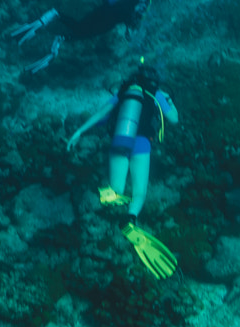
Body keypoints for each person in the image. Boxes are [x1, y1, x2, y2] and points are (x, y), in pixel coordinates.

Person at [67, 60, 181, 278]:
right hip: (141, 144)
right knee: (139, 192)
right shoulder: (156, 93)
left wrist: (79, 132)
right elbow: (173, 120)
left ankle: (105, 194)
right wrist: (169, 101)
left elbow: (101, 115)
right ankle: (130, 220)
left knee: (116, 188)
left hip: (119, 141)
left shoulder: (123, 93)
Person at [5, 0, 162, 73]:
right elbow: (132, 19)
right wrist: (130, 28)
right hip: (110, 21)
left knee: (80, 27)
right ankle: (59, 32)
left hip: (102, 9)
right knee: (82, 32)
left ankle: (53, 18)